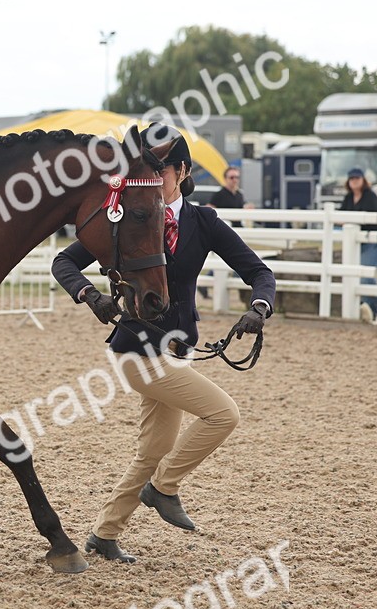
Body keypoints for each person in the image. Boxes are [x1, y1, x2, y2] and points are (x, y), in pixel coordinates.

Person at [51, 123, 277, 563]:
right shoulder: (127, 216)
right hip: (135, 349)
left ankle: (104, 533)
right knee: (223, 414)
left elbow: (259, 272)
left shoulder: (203, 222)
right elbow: (65, 261)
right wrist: (91, 295)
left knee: (152, 450)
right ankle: (164, 488)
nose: (152, 180)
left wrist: (259, 308)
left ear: (183, 171)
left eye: (162, 172)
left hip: (177, 350)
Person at [339, 168, 377, 321]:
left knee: (365, 276)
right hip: (357, 242)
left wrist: (351, 222)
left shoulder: (370, 196)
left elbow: (373, 218)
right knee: (355, 277)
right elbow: (341, 216)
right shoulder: (348, 198)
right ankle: (369, 310)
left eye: (357, 178)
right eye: (352, 178)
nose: (354, 181)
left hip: (373, 240)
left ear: (363, 180)